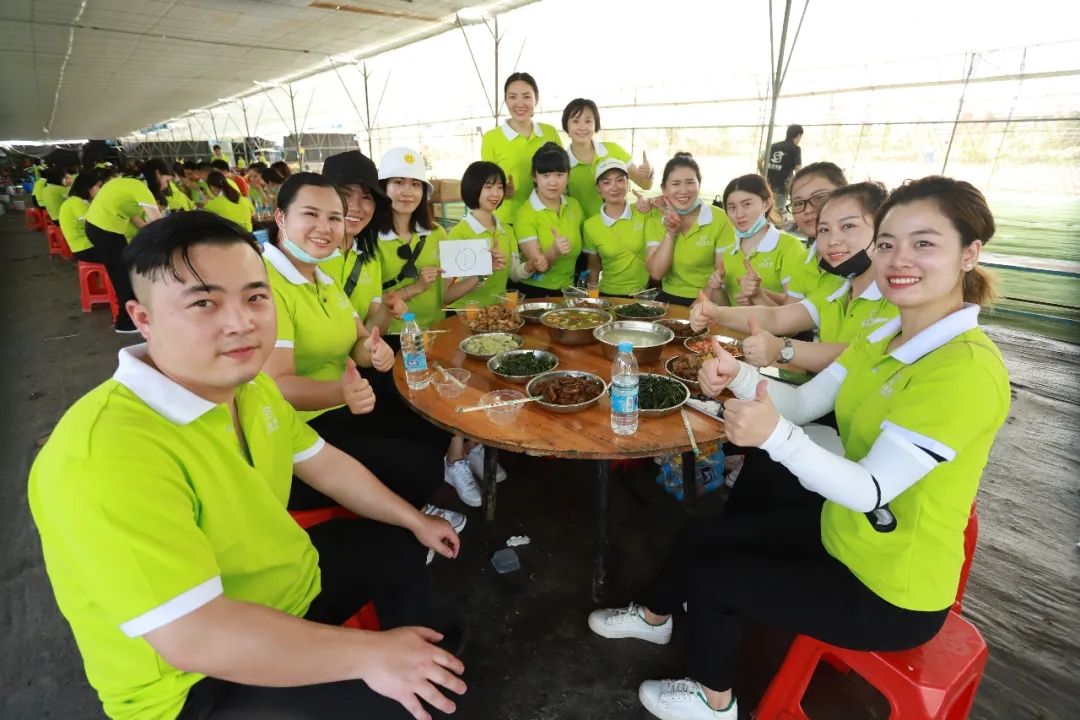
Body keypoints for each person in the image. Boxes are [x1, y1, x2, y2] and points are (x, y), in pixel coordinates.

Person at [588, 174, 1010, 720]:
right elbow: (806, 403)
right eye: (887, 244)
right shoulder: (884, 338)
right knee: (701, 535)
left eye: (923, 243)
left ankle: (713, 701)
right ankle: (654, 618)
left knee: (717, 579)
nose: (898, 259)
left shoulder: (964, 370)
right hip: (844, 532)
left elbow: (870, 489)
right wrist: (738, 375)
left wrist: (775, 437)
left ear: (969, 253)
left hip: (890, 588)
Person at [28, 211, 466, 720]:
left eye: (256, 297)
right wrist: (372, 655)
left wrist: (416, 519)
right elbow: (195, 637)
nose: (241, 323)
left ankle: (418, 655)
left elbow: (325, 464)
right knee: (420, 704)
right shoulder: (102, 454)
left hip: (288, 585)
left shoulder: (250, 387)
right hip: (194, 681)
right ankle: (405, 668)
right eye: (204, 302)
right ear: (143, 318)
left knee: (403, 548)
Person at [260, 173, 462, 534]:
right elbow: (277, 386)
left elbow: (359, 338)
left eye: (333, 218)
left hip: (343, 402)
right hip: (300, 427)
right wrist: (343, 391)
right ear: (280, 217)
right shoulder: (266, 286)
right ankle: (397, 523)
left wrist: (373, 349)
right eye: (310, 214)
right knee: (418, 463)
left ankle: (407, 504)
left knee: (432, 421)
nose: (324, 227)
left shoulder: (322, 278)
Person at [691, 182, 898, 373]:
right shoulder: (836, 286)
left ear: (884, 228)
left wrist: (781, 348)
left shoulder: (897, 297)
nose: (833, 240)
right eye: (824, 230)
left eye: (848, 226)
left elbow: (856, 354)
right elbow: (778, 318)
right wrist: (716, 313)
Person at [85, 158, 172, 333]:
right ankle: (125, 323)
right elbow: (158, 222)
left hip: (102, 227)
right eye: (166, 180)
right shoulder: (140, 188)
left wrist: (148, 232)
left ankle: (132, 316)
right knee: (122, 275)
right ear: (157, 174)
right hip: (103, 229)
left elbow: (134, 217)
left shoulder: (131, 183)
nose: (165, 186)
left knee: (125, 269)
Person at [643, 153, 735, 307]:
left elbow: (722, 272)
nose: (683, 190)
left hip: (709, 297)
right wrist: (670, 232)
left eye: (690, 182)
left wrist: (701, 300)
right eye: (676, 184)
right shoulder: (654, 222)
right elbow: (656, 273)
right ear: (664, 189)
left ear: (699, 184)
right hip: (668, 299)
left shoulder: (720, 219)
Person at [375, 147, 448, 333]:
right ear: (383, 187)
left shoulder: (438, 233)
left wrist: (480, 275)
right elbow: (368, 302)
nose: (408, 192)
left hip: (436, 330)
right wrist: (416, 288)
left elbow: (447, 293)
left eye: (415, 184)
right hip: (392, 337)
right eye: (399, 182)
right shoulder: (370, 239)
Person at [444, 161, 533, 310]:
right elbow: (447, 296)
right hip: (465, 314)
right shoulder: (459, 233)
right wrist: (482, 272)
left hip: (497, 312)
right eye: (488, 187)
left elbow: (513, 274)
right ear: (473, 188)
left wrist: (529, 267)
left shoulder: (506, 230)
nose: (496, 193)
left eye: (500, 187)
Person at [480, 72, 563, 227]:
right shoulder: (491, 138)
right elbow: (487, 185)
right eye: (512, 97)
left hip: (547, 218)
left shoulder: (549, 132)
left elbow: (563, 172)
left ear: (536, 99)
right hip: (509, 221)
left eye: (526, 97)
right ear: (505, 100)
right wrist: (502, 191)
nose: (520, 104)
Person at [718, 174, 808, 308]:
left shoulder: (789, 246)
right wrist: (715, 287)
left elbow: (796, 307)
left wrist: (758, 295)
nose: (739, 214)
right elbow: (725, 307)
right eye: (732, 207)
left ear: (767, 204)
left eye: (747, 204)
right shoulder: (729, 253)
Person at [512, 143, 585, 299]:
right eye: (545, 176)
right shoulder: (525, 213)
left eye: (559, 175)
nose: (553, 182)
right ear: (534, 176)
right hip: (536, 294)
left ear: (568, 175)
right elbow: (538, 267)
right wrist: (554, 250)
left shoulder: (574, 206)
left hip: (569, 291)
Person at [562, 98, 653, 218]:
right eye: (575, 121)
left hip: (620, 224)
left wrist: (648, 173)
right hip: (585, 228)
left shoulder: (613, 150)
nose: (582, 127)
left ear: (595, 124)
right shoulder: (562, 164)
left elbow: (645, 185)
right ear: (566, 125)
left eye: (588, 121)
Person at [582, 158, 654, 297]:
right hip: (608, 294)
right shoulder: (591, 225)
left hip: (643, 294)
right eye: (606, 182)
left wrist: (651, 201)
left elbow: (674, 201)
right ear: (598, 188)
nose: (614, 187)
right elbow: (594, 266)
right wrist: (593, 299)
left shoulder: (644, 211)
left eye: (620, 180)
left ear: (628, 183)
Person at [783, 161, 849, 302]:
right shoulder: (805, 260)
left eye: (819, 198)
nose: (808, 210)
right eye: (798, 203)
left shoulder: (864, 260)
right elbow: (790, 312)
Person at [58, 170, 104, 262]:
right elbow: (95, 225)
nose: (100, 190)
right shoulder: (76, 202)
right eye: (98, 186)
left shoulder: (81, 201)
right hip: (86, 249)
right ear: (88, 188)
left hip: (87, 246)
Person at [764, 124, 803, 218]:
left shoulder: (773, 146)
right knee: (778, 213)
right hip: (782, 186)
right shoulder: (795, 149)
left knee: (766, 209)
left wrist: (763, 174)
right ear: (798, 135)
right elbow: (798, 168)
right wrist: (799, 182)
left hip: (768, 184)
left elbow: (760, 161)